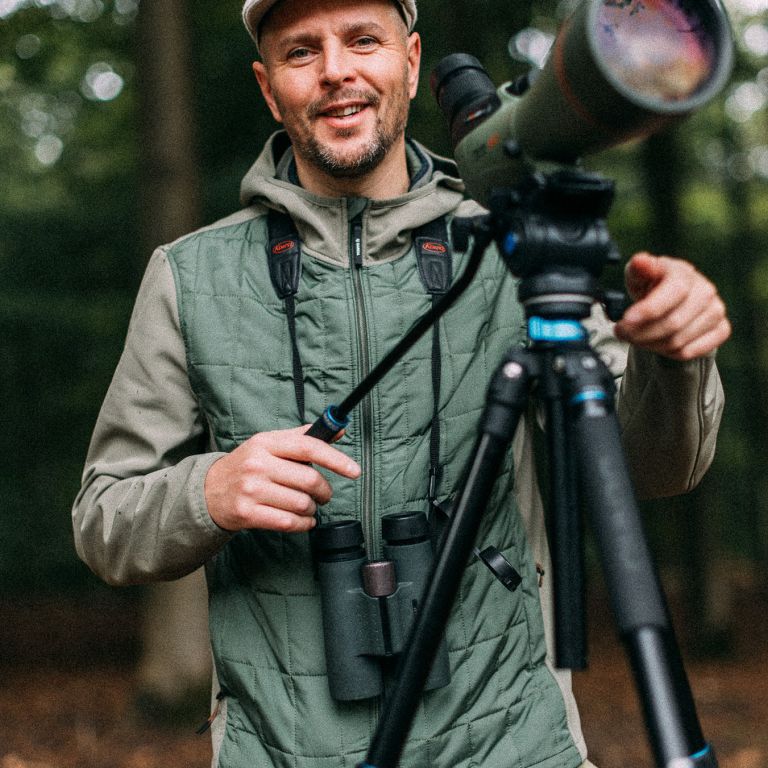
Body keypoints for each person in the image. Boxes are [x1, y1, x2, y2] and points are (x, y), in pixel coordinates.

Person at [72, 0, 731, 766]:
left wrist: (673, 359)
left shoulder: (513, 248)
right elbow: (103, 521)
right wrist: (209, 491)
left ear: (412, 63)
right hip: (280, 751)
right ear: (267, 86)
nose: (336, 71)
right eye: (301, 52)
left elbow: (654, 470)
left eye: (363, 40)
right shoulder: (191, 276)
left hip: (513, 744)